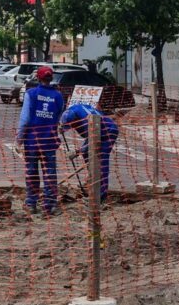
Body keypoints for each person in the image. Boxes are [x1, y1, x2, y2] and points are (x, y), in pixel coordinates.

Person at [17, 66, 65, 215]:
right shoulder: (58, 96)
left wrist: (19, 137)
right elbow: (59, 118)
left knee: (32, 172)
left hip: (32, 140)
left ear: (38, 78)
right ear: (51, 79)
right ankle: (49, 205)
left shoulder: (31, 93)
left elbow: (25, 118)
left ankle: (31, 203)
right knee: (49, 173)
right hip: (49, 141)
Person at [60, 102, 120, 202]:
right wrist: (62, 126)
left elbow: (93, 141)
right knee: (87, 154)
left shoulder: (87, 122)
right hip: (96, 129)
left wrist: (76, 152)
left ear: (76, 120)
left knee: (101, 162)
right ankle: (93, 178)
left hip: (108, 131)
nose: (72, 128)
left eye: (72, 125)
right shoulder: (73, 109)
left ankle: (100, 196)